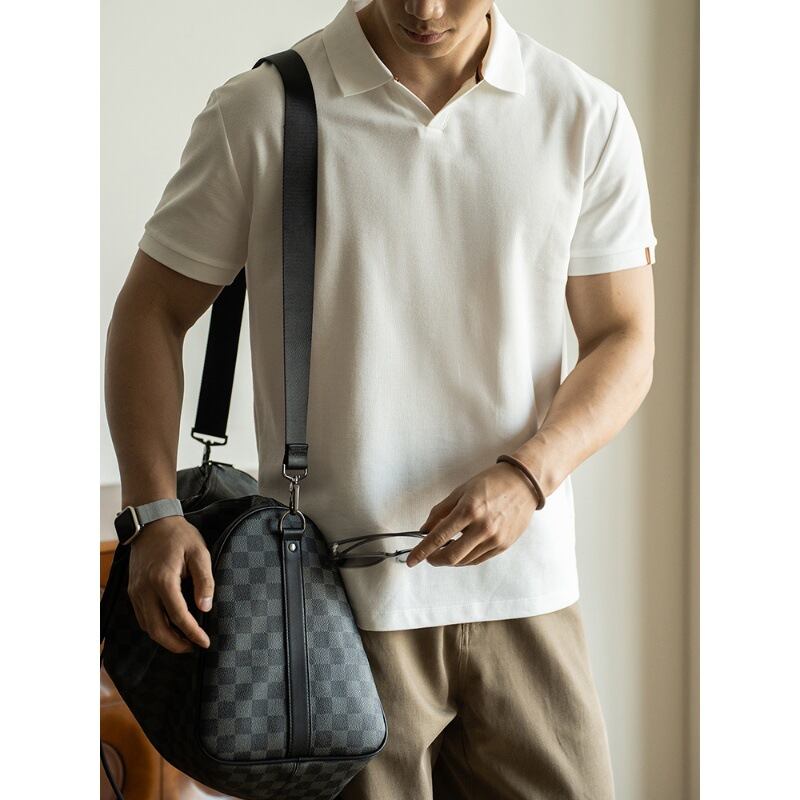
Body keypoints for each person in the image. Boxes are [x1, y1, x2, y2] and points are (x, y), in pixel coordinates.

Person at [104, 1, 657, 797]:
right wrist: (153, 511)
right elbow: (151, 311)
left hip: (526, 594)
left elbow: (625, 338)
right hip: (329, 610)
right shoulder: (262, 110)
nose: (423, 10)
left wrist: (530, 474)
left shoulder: (582, 115)